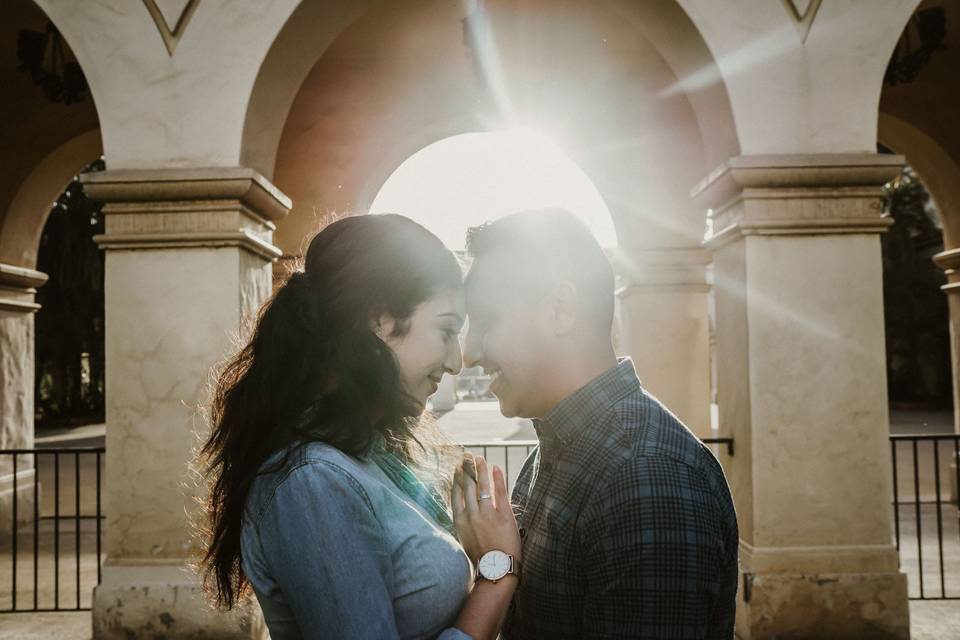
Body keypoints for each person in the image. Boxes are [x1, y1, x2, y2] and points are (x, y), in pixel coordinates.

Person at [199, 214, 520, 640]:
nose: (455, 362)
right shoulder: (313, 481)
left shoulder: (370, 452)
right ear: (379, 321)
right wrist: (497, 573)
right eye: (445, 330)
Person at [462, 208, 739, 639]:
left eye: (486, 321)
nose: (469, 353)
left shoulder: (646, 475)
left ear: (561, 310)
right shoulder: (557, 449)